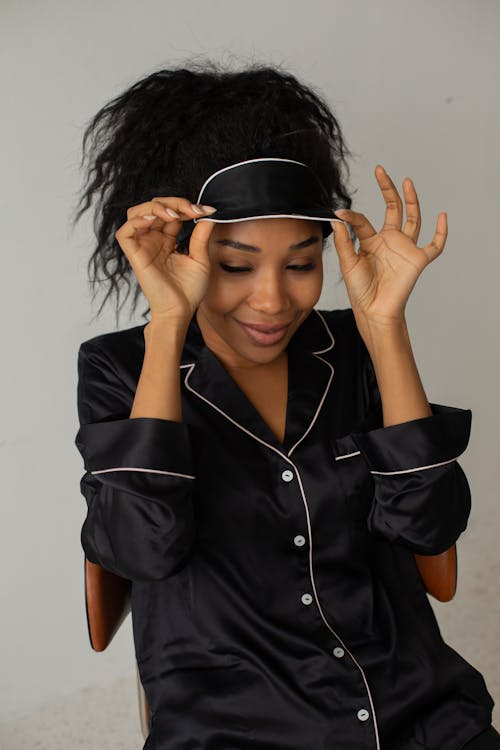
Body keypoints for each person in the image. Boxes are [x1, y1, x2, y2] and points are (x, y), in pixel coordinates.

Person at [72, 59, 499, 750]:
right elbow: (143, 548)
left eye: (301, 263)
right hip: (237, 727)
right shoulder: (120, 367)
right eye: (236, 265)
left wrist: (385, 327)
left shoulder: (353, 354)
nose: (272, 300)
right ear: (181, 252)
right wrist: (167, 327)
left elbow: (430, 527)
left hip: (418, 714)